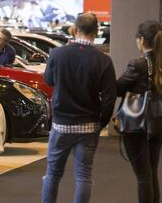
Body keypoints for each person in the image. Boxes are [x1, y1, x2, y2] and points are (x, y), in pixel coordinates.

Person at [42, 13, 116, 203]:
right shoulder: (103, 61)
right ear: (97, 31)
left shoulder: (57, 54)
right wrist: (101, 122)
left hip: (61, 125)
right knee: (83, 176)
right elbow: (109, 98)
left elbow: (49, 80)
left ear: (75, 30)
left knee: (52, 174)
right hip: (89, 125)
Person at [117, 20, 162, 203]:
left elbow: (118, 88)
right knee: (151, 172)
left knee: (143, 176)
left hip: (138, 122)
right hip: (160, 119)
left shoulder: (137, 64)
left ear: (141, 40)